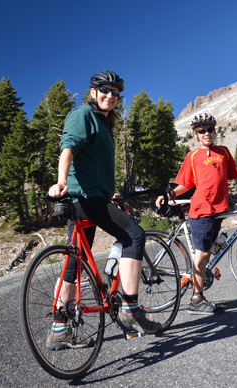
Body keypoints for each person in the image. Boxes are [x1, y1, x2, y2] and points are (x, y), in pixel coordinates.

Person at [46, 70, 161, 350]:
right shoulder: (82, 115)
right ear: (93, 93)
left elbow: (92, 165)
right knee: (133, 235)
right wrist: (61, 181)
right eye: (105, 90)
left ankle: (59, 328)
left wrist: (110, 194)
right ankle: (131, 308)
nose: (110, 96)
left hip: (90, 198)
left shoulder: (103, 123)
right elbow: (68, 149)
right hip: (85, 199)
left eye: (115, 93)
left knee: (73, 263)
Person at [156, 113, 237, 315]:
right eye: (202, 130)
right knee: (203, 252)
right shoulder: (192, 156)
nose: (207, 133)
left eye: (210, 129)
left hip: (219, 209)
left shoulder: (223, 152)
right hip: (201, 209)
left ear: (215, 131)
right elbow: (185, 185)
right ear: (196, 135)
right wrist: (167, 194)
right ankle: (196, 299)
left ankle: (200, 281)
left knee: (207, 250)